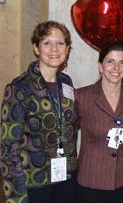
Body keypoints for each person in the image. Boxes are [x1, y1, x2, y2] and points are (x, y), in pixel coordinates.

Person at [0, 21, 78, 203]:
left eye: (60, 43)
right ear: (36, 48)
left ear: (67, 49)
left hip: (66, 180)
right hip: (34, 184)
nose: (54, 49)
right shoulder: (19, 88)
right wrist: (17, 198)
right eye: (46, 42)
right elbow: (8, 151)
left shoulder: (67, 83)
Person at [74, 40, 123, 203]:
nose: (116, 68)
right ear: (100, 66)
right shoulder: (82, 96)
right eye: (110, 61)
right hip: (91, 182)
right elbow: (68, 135)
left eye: (121, 62)